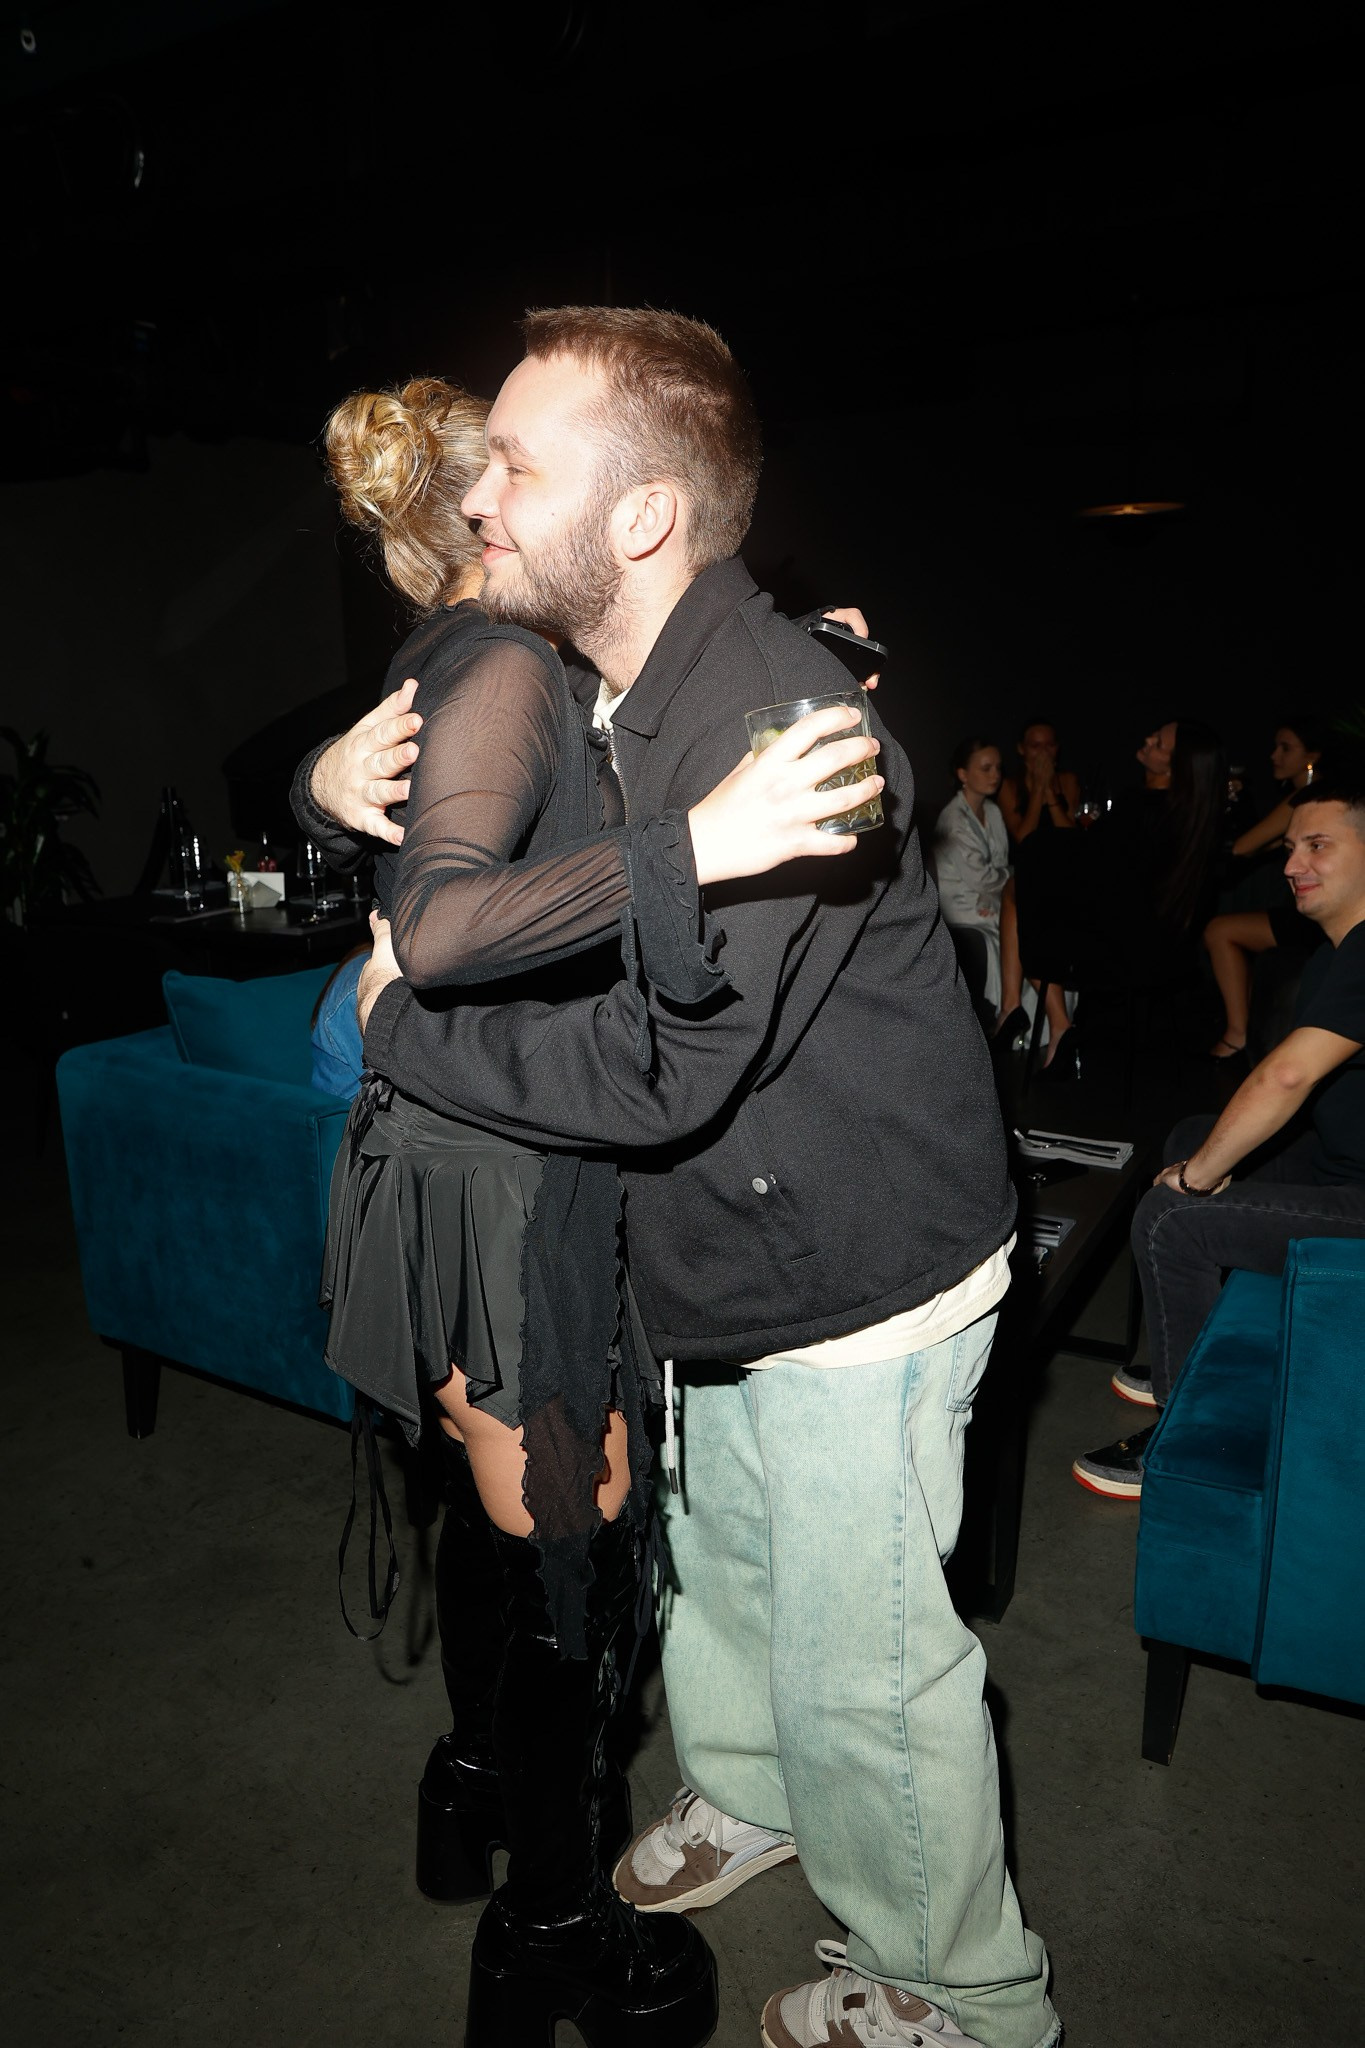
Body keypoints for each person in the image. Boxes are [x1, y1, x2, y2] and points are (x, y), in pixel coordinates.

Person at [337, 307, 1057, 2048]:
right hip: (718, 1246)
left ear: (643, 515)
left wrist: (401, 1028)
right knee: (726, 1572)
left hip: (860, 1270)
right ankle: (749, 1792)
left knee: (864, 1660)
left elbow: (652, 1067)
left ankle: (967, 1988)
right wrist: (319, 771)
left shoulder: (785, 728)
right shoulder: (618, 673)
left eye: (518, 468)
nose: (477, 495)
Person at [293, 374, 883, 2048]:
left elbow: (445, 827)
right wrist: (695, 840)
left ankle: (471, 1790)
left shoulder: (459, 657)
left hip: (463, 1142)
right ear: (492, 521)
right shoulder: (502, 662)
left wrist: (315, 787)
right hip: (506, 1167)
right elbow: (452, 920)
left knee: (498, 1517)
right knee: (575, 1553)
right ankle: (550, 1930)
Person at [1073, 772, 1365, 1498]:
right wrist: (1205, 1157)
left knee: (1171, 1216)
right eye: (1290, 847)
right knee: (1194, 1133)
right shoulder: (1335, 948)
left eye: (1318, 845)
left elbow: (1286, 1077)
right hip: (1342, 1163)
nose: (1292, 863)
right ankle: (1198, 1353)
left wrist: (1200, 1179)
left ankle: (1190, 1443)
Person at [1204, 720, 1328, 1061]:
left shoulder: (1305, 799)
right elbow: (1263, 845)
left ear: (1312, 756)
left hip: (1318, 918)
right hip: (1321, 912)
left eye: (1286, 748)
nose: (1274, 755)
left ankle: (1237, 1034)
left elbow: (1244, 847)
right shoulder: (1321, 796)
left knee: (1218, 930)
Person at [997, 718, 1080, 841]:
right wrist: (1039, 787)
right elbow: (1023, 838)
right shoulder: (1008, 786)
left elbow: (1071, 836)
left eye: (1050, 745)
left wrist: (1049, 790)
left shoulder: (1068, 781)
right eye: (1035, 746)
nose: (1044, 752)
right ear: (1021, 749)